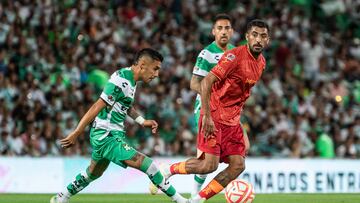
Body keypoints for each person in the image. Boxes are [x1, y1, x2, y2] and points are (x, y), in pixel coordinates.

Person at [50, 48, 187, 203]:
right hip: (106, 135)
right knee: (151, 166)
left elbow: (126, 106)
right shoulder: (121, 80)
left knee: (93, 173)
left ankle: (61, 197)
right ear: (142, 65)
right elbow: (97, 106)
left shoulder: (131, 80)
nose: (157, 74)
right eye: (155, 69)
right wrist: (76, 132)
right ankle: (181, 200)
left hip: (110, 135)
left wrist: (142, 121)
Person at [160, 20, 270, 202]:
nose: (258, 39)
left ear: (268, 40)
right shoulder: (233, 57)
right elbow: (205, 82)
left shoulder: (261, 63)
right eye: (255, 35)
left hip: (232, 120)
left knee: (238, 165)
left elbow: (240, 96)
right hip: (215, 114)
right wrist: (208, 116)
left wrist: (240, 126)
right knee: (208, 165)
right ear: (247, 37)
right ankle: (168, 170)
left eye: (263, 36)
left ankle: (197, 200)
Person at [189, 13, 250, 197]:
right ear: (213, 31)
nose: (223, 32)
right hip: (207, 109)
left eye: (227, 28)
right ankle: (194, 194)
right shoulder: (207, 54)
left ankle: (196, 194)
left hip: (229, 111)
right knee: (207, 160)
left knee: (244, 146)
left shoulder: (237, 53)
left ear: (232, 32)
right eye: (220, 28)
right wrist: (213, 97)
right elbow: (194, 83)